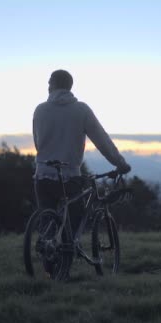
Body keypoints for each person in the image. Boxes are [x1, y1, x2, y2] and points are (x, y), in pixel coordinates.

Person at [32, 69, 131, 235]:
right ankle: (66, 257)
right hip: (70, 176)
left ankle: (48, 256)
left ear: (54, 84)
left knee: (47, 221)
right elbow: (102, 141)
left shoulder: (39, 110)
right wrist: (120, 163)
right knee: (73, 223)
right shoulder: (81, 110)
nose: (47, 85)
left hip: (43, 174)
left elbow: (38, 143)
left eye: (49, 82)